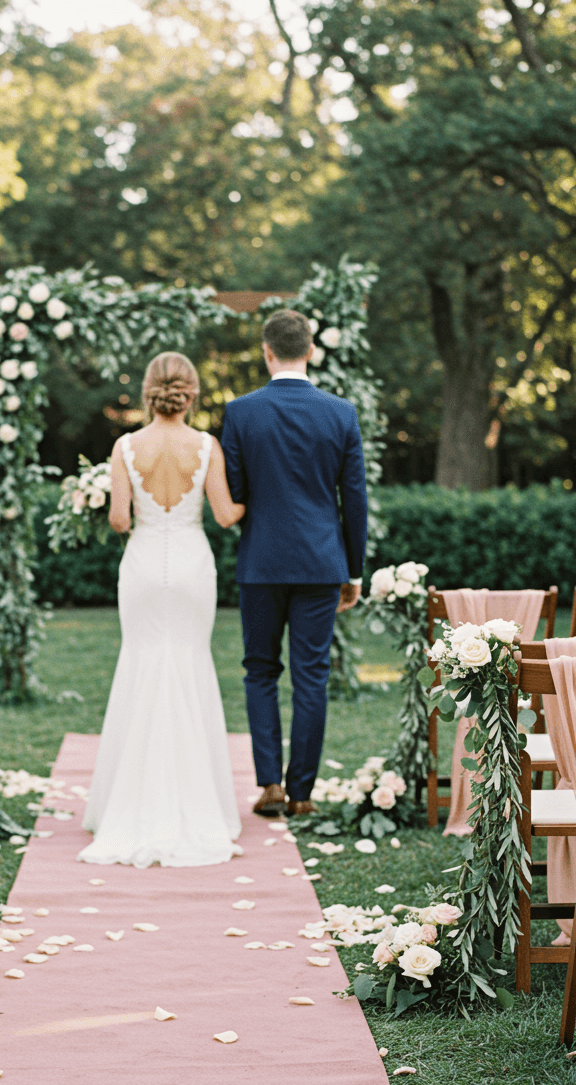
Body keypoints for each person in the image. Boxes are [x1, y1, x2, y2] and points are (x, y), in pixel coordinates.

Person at [79, 352, 246, 867]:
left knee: (142, 661)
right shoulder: (207, 446)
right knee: (190, 663)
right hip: (194, 565)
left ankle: (128, 801)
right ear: (191, 394)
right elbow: (225, 514)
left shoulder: (125, 446)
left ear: (149, 391)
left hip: (145, 566)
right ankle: (199, 801)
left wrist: (96, 501)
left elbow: (121, 520)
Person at [221, 308, 368, 818]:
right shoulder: (341, 413)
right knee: (312, 675)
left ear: (267, 352)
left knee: (260, 671)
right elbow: (355, 500)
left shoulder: (239, 413)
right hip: (322, 564)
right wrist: (353, 570)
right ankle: (302, 792)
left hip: (261, 562)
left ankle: (269, 787)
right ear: (310, 350)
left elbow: (235, 493)